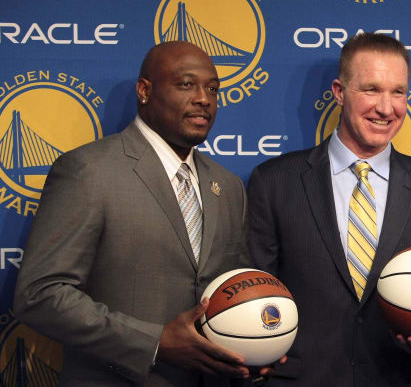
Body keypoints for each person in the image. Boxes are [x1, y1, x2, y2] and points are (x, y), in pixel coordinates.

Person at [13, 41, 259, 386]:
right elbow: (40, 293)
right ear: (145, 91)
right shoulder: (89, 171)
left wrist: (256, 345)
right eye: (186, 84)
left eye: (213, 88)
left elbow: (233, 291)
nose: (204, 98)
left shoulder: (228, 186)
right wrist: (153, 342)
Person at [247, 32, 411, 386]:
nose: (386, 107)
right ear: (338, 92)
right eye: (371, 89)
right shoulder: (274, 182)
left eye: (398, 92)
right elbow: (254, 291)